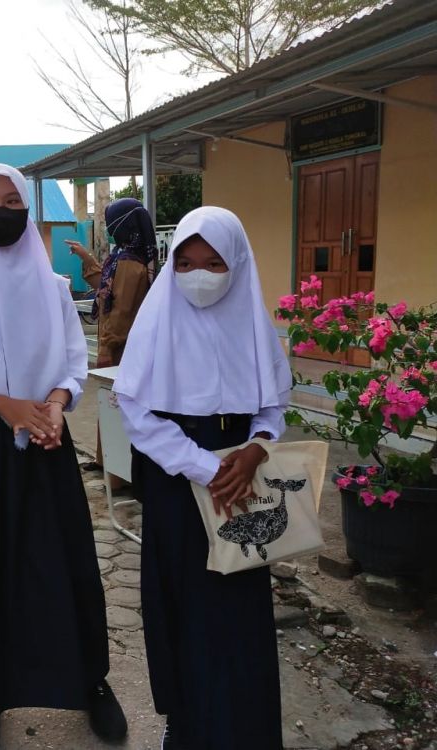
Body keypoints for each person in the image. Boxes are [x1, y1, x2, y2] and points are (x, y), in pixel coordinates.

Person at [0, 164, 127, 750]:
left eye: (14, 200)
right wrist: (6, 406)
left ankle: (91, 681)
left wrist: (56, 405)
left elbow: (72, 360)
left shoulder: (54, 287)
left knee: (66, 565)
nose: (3, 210)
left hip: (46, 441)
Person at [115, 206, 291, 749]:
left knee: (239, 607)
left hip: (240, 479)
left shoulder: (252, 322)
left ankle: (248, 727)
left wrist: (258, 450)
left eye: (213, 262)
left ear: (236, 262)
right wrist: (205, 466)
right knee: (181, 604)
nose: (198, 275)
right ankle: (186, 725)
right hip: (178, 481)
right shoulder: (159, 316)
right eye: (185, 262)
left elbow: (273, 405)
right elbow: (136, 410)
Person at [65, 198, 156, 473]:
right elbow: (104, 290)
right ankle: (106, 463)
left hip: (124, 350)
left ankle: (119, 474)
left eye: (111, 222)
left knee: (121, 408)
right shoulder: (120, 258)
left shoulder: (130, 264)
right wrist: (86, 257)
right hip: (119, 347)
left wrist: (105, 347)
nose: (108, 228)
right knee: (110, 405)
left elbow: (120, 312)